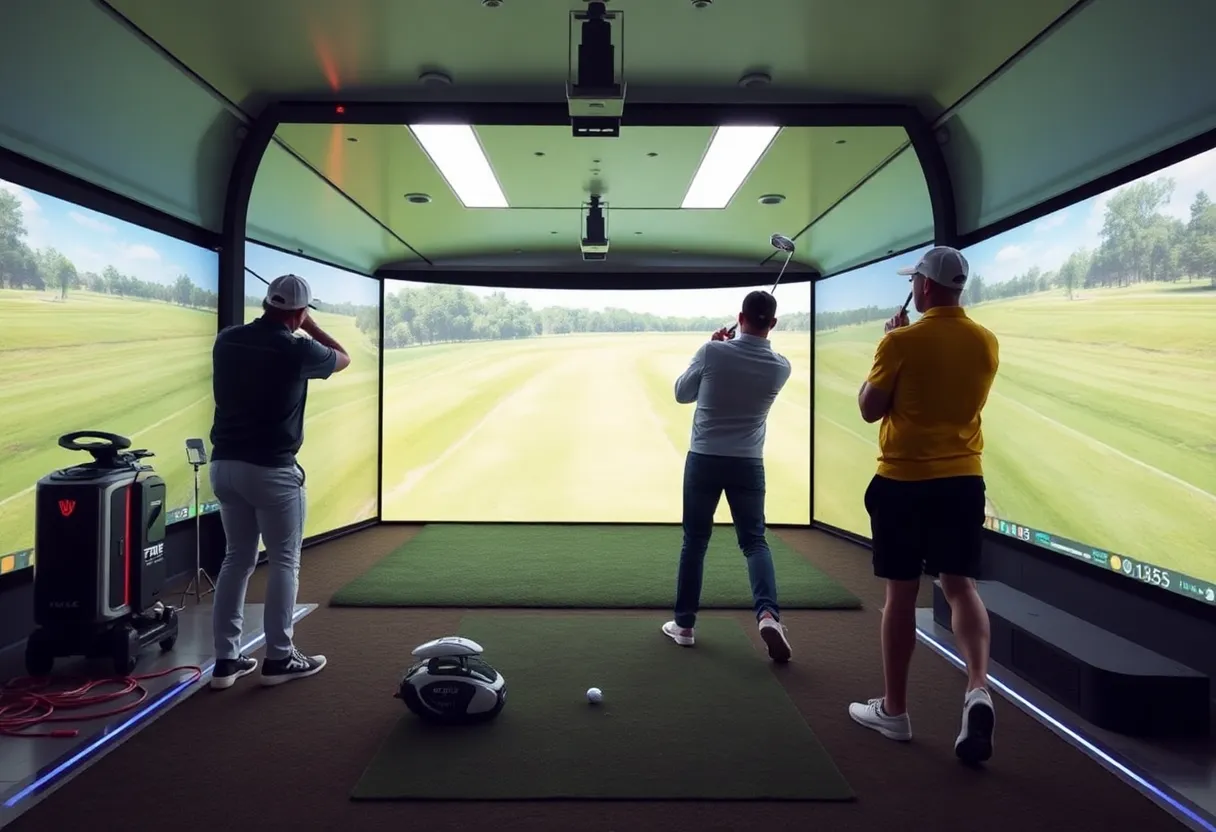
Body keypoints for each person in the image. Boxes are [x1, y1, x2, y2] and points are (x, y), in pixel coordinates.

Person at [846, 246, 1000, 764]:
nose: (913, 286)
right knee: (960, 587)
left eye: (915, 280)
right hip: (962, 482)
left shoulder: (902, 341)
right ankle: (977, 686)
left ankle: (895, 710)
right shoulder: (986, 342)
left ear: (926, 288)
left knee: (901, 594)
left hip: (904, 482)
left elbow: (870, 408)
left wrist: (889, 344)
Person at [207, 274, 352, 690]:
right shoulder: (297, 348)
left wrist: (294, 321)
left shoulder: (227, 340)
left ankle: (226, 661)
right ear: (300, 311)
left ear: (267, 303)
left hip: (224, 466)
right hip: (271, 469)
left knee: (236, 559)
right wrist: (308, 326)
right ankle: (279, 657)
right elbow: (342, 357)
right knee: (285, 560)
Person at [662, 290, 795, 663]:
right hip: (748, 463)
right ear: (773, 323)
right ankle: (768, 614)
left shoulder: (713, 352)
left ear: (740, 316)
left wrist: (708, 347)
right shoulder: (781, 367)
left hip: (704, 459)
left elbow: (681, 393)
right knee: (754, 542)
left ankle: (684, 626)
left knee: (695, 541)